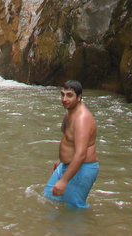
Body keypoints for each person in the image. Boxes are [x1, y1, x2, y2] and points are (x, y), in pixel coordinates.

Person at [43, 80, 99, 209]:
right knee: (49, 199)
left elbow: (80, 153)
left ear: (79, 97)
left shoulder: (82, 118)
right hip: (66, 164)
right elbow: (69, 140)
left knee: (73, 211)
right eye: (62, 94)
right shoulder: (70, 111)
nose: (64, 99)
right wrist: (61, 159)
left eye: (69, 95)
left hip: (83, 167)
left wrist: (64, 181)